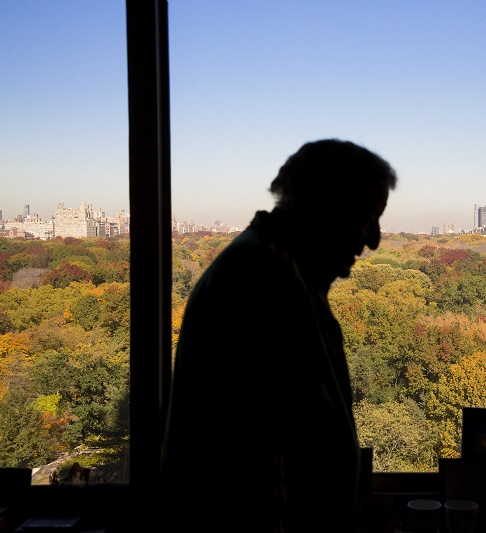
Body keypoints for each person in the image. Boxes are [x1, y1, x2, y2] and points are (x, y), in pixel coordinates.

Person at [161, 139, 397, 532]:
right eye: (367, 216)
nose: (373, 239)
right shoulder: (262, 282)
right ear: (327, 207)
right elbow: (254, 472)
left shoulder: (282, 274)